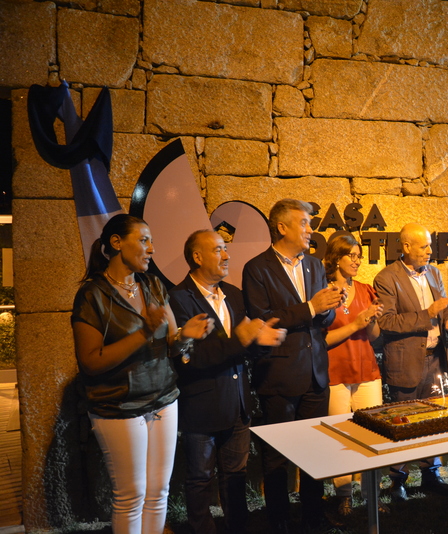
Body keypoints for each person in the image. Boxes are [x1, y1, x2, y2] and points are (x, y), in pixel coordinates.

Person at [71, 214, 212, 533]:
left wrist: (186, 335)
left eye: (152, 241)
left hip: (164, 400)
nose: (151, 248)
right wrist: (144, 332)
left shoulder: (153, 285)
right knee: (130, 496)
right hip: (119, 407)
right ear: (117, 243)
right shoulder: (92, 295)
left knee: (158, 492)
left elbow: (172, 344)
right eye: (144, 240)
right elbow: (90, 362)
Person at [168, 230, 287, 534]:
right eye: (218, 249)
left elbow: (245, 345)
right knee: (199, 480)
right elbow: (189, 358)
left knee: (236, 476)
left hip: (238, 403)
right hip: (202, 407)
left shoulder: (233, 294)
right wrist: (242, 339)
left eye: (226, 249)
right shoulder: (178, 299)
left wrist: (264, 342)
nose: (226, 256)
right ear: (197, 257)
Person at [241, 199, 344, 534]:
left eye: (310, 223)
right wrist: (311, 307)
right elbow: (263, 319)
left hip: (316, 373)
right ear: (281, 227)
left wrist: (328, 306)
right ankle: (280, 521)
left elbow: (321, 317)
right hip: (280, 375)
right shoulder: (257, 268)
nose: (310, 229)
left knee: (314, 451)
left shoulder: (314, 265)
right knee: (276, 457)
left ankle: (313, 516)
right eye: (303, 223)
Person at [373, 223, 448, 501]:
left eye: (429, 245)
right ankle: (397, 479)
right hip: (405, 362)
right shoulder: (386, 278)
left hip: (435, 360)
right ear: (405, 247)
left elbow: (444, 305)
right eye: (424, 246)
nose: (429, 250)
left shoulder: (435, 272)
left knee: (433, 420)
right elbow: (387, 322)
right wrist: (428, 314)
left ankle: (430, 474)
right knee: (402, 423)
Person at [322, 235, 385, 516]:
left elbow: (374, 336)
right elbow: (322, 340)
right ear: (336, 258)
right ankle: (343, 496)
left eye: (359, 255)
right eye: (352, 255)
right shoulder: (322, 292)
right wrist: (355, 323)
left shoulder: (364, 289)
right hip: (335, 372)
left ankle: (372, 494)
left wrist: (370, 320)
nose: (358, 260)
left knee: (373, 433)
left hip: (366, 370)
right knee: (340, 437)